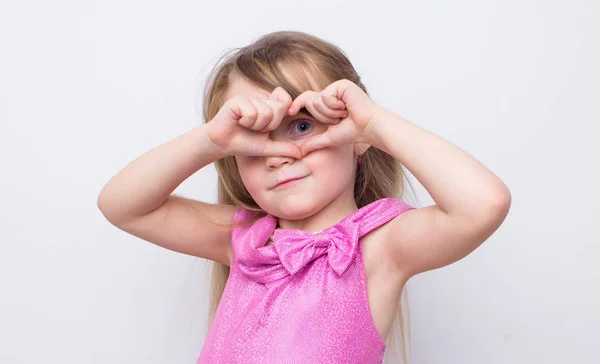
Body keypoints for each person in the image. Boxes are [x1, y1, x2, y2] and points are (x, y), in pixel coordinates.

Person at [97, 30, 511, 364]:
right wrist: (210, 140)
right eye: (255, 139)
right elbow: (120, 204)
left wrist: (373, 124)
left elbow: (483, 203)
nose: (277, 156)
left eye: (301, 127)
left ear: (354, 135)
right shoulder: (244, 240)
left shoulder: (380, 246)